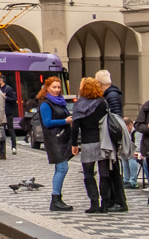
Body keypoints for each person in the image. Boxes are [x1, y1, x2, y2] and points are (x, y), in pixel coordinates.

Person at [70, 77, 116, 213]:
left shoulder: (79, 105)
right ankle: (105, 204)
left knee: (88, 174)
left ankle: (94, 203)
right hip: (103, 141)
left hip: (87, 142)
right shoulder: (102, 103)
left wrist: (74, 144)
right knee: (104, 174)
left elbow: (75, 127)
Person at [38, 76, 74, 211]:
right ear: (47, 88)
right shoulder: (45, 103)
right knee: (62, 168)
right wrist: (65, 121)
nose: (57, 90)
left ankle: (57, 198)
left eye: (59, 87)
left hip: (62, 139)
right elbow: (47, 122)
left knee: (60, 168)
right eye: (54, 87)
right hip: (54, 140)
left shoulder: (60, 102)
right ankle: (55, 199)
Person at [95, 70, 128, 211]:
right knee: (112, 170)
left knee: (114, 171)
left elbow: (115, 118)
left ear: (100, 83)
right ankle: (115, 200)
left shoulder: (111, 96)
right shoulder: (110, 94)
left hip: (111, 136)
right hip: (111, 136)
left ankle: (120, 202)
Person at [0, 76, 19, 155]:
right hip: (2, 111)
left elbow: (14, 99)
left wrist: (5, 97)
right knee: (1, 130)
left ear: (1, 80)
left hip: (8, 112)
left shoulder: (8, 88)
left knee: (10, 129)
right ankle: (1, 147)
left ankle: (14, 147)